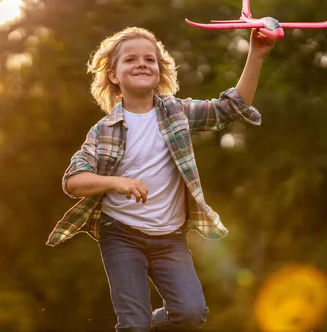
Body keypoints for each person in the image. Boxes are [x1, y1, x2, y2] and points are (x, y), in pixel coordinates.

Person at [46, 26, 275, 332]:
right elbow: (73, 180)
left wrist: (256, 55)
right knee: (134, 323)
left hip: (170, 238)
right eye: (131, 60)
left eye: (149, 59)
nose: (142, 63)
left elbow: (230, 109)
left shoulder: (176, 113)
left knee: (191, 314)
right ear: (114, 75)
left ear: (159, 70)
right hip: (121, 235)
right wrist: (117, 182)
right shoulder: (104, 130)